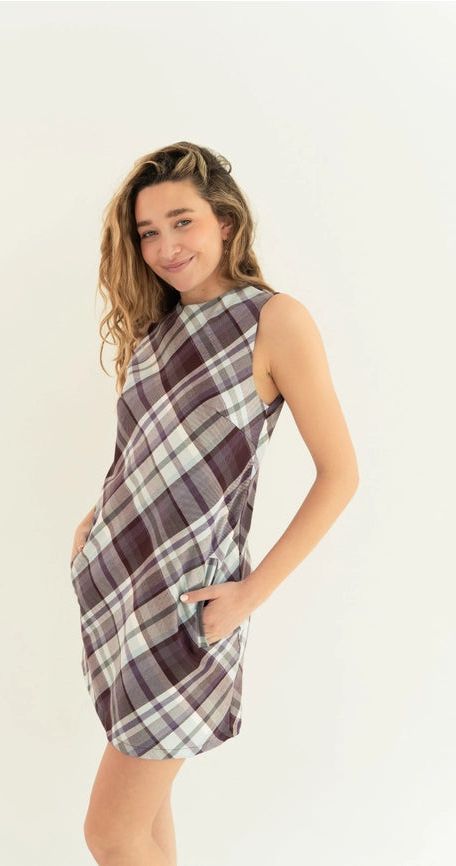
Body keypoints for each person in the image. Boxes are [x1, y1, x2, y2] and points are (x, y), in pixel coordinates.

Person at [69, 141, 359, 866]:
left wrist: (250, 594)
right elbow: (140, 453)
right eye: (148, 232)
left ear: (224, 222)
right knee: (144, 827)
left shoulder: (274, 321)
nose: (166, 246)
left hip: (188, 607)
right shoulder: (154, 331)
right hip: (120, 591)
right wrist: (93, 522)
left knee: (110, 833)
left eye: (182, 222)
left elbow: (340, 475)